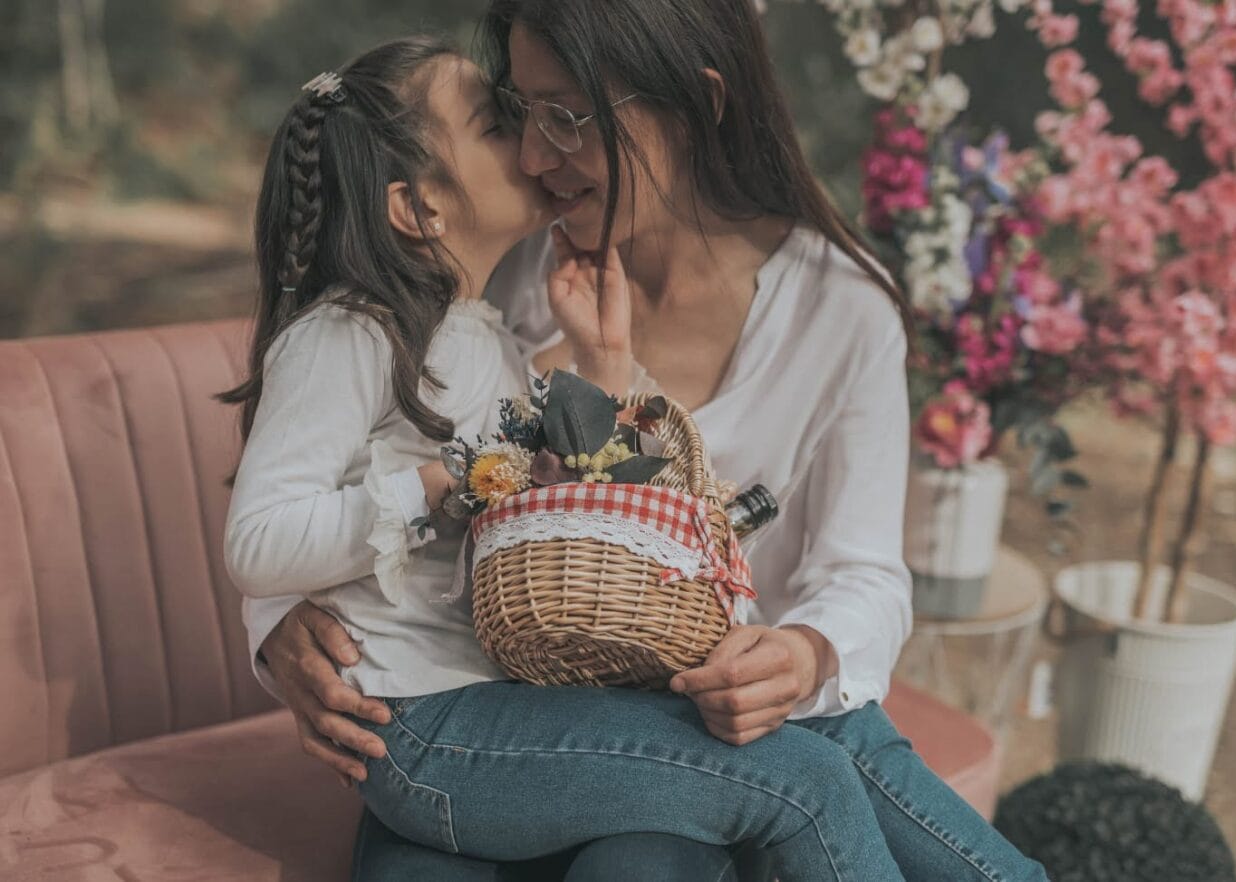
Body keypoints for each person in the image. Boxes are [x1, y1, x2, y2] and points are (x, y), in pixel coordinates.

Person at [245, 2, 1050, 880]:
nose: (535, 155)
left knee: (688, 836)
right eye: (518, 113)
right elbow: (320, 465)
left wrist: (806, 651)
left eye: (566, 116)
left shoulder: (840, 309)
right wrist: (278, 627)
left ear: (695, 104)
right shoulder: (495, 263)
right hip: (505, 713)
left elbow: (863, 574)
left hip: (709, 720)